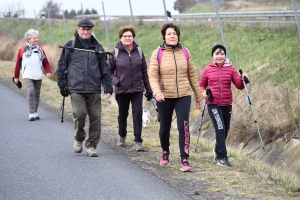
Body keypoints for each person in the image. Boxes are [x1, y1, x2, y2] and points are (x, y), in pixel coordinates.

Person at [148, 23, 202, 172]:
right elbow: (152, 76)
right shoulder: (157, 53)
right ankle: (165, 152)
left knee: (183, 126)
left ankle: (184, 159)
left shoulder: (185, 52)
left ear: (178, 35)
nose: (172, 36)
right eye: (169, 34)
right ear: (164, 37)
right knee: (164, 127)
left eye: (175, 33)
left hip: (183, 95)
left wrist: (198, 97)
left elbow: (192, 76)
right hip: (164, 96)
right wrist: (157, 92)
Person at [56, 19, 113, 157]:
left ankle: (92, 145)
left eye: (88, 29)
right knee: (80, 114)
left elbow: (104, 70)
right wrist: (62, 85)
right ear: (78, 29)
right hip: (76, 88)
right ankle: (79, 139)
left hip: (94, 88)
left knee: (96, 117)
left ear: (92, 30)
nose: (86, 31)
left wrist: (108, 88)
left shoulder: (98, 48)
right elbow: (61, 67)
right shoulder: (70, 46)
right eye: (83, 29)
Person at [199, 44, 248, 167]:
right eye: (217, 53)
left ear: (225, 55)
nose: (220, 56)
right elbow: (201, 85)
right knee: (220, 128)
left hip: (227, 104)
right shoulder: (207, 70)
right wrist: (204, 93)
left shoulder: (231, 69)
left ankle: (216, 150)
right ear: (213, 56)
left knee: (225, 130)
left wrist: (244, 79)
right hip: (213, 103)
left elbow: (239, 86)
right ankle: (222, 157)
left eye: (222, 54)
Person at [108, 25, 153, 151]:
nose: (127, 38)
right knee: (122, 115)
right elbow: (108, 72)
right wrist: (117, 81)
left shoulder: (139, 52)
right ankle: (122, 136)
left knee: (137, 114)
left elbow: (144, 72)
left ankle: (138, 141)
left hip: (137, 89)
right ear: (121, 38)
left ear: (133, 37)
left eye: (130, 36)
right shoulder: (115, 53)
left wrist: (149, 90)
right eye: (125, 36)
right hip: (122, 89)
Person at [13, 29, 51, 121]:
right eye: (34, 38)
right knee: (31, 91)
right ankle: (31, 113)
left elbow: (45, 62)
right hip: (27, 74)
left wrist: (48, 71)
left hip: (38, 74)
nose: (36, 39)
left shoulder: (40, 49)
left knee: (37, 94)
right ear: (28, 39)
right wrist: (16, 76)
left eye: (37, 37)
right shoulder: (22, 50)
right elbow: (18, 64)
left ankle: (35, 111)